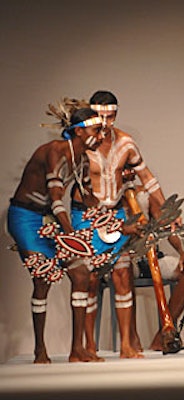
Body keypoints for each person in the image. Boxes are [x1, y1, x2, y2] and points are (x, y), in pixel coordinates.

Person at [73, 90, 181, 357]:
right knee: (92, 279)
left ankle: (125, 346)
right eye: (100, 116)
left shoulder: (125, 143)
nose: (105, 122)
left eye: (111, 116)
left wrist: (167, 210)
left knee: (122, 274)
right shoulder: (80, 145)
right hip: (87, 214)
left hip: (117, 212)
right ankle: (89, 347)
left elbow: (147, 177)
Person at [7, 107, 105, 363]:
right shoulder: (55, 152)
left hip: (50, 218)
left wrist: (107, 221)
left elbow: (85, 199)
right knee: (43, 277)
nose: (102, 136)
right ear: (80, 131)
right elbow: (57, 200)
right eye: (97, 130)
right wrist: (73, 238)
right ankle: (40, 349)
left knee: (81, 274)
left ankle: (77, 349)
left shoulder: (83, 159)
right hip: (26, 217)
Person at [127, 181, 184, 351]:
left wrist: (183, 253)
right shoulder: (108, 194)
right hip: (125, 257)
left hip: (150, 255)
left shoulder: (144, 194)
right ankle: (130, 338)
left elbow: (166, 226)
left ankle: (164, 333)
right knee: (124, 270)